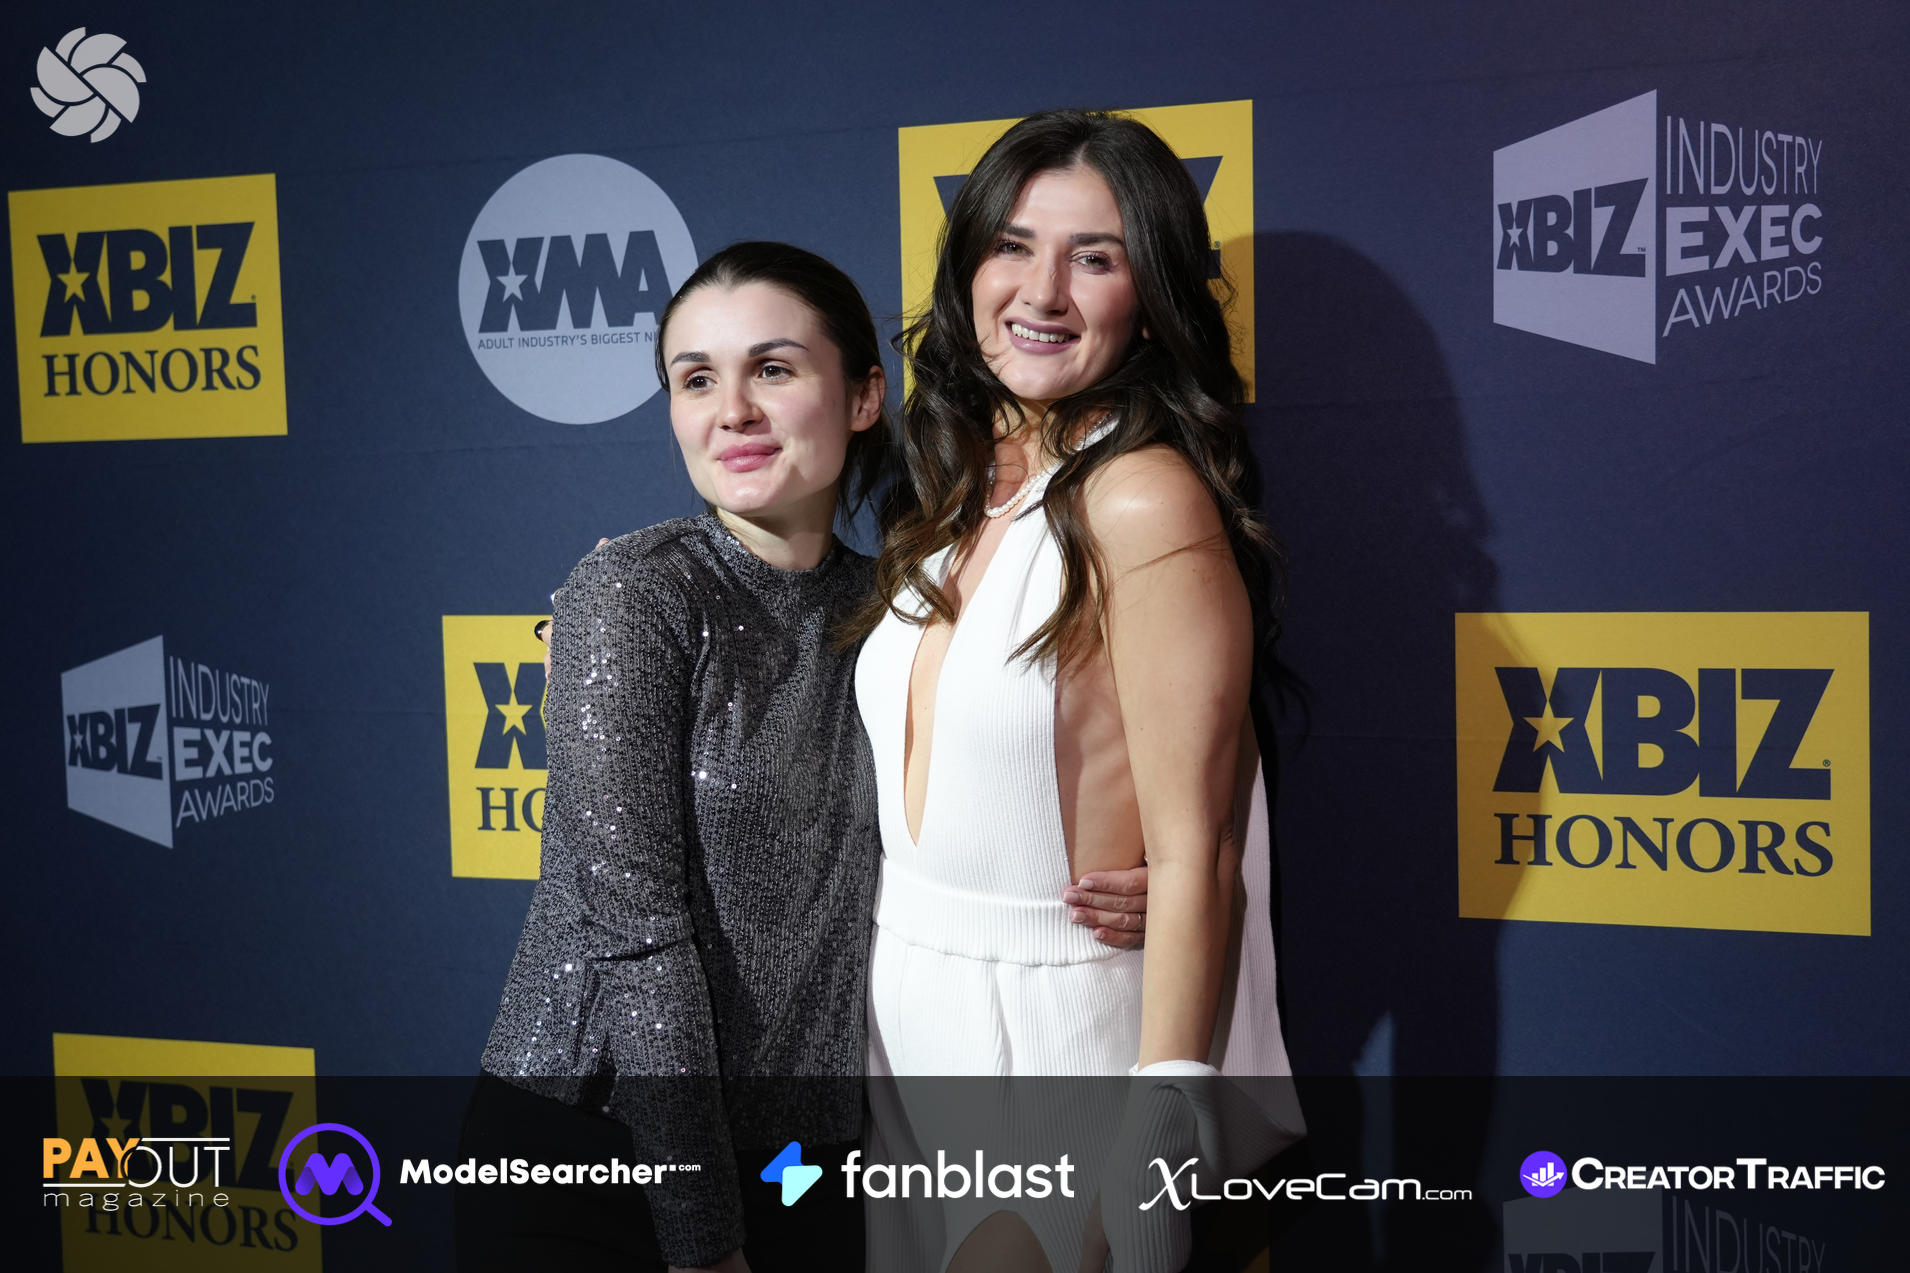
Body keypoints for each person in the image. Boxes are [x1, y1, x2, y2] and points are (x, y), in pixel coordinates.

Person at [460, 241, 1149, 1273]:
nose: (732, 410)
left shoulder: (903, 607)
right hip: (597, 1144)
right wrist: (704, 1243)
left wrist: (1156, 877)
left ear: (864, 396)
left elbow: (998, 798)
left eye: (772, 369)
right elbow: (638, 945)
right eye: (696, 379)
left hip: (805, 1161)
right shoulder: (635, 595)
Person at [845, 109, 1303, 1271]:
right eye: (1012, 246)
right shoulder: (951, 489)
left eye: (1092, 257)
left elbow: (1197, 846)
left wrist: (1165, 1100)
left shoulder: (1140, 498)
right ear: (967, 270)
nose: (1041, 291)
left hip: (1059, 1025)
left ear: (1148, 296)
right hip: (909, 1015)